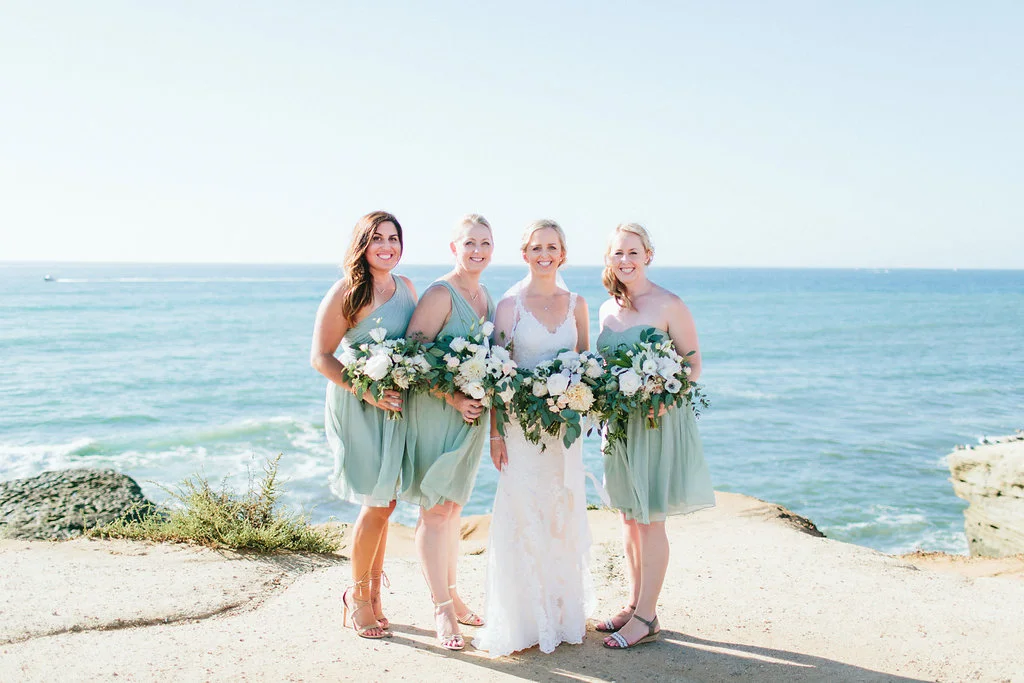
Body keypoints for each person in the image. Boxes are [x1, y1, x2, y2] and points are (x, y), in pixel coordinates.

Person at [475, 219, 594, 656]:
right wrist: (495, 434)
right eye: (536, 247)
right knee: (523, 512)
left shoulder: (578, 303)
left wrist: (579, 407)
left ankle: (561, 613)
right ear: (524, 253)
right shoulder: (509, 306)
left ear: (563, 253)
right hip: (520, 431)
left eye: (552, 247)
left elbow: (585, 367)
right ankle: (524, 619)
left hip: (564, 433)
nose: (544, 254)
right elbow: (496, 372)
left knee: (562, 510)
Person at [595, 222, 715, 650]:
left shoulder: (669, 303)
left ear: (648, 255)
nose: (625, 260)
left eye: (633, 252)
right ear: (609, 260)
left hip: (658, 423)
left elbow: (693, 364)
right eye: (617, 254)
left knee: (650, 520)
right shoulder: (608, 308)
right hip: (621, 425)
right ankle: (635, 604)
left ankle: (647, 617)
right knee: (628, 518)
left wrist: (666, 395)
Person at [310, 211, 417, 640]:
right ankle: (356, 600)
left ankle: (374, 594)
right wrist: (367, 391)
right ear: (363, 245)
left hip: (396, 405)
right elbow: (321, 356)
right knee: (375, 502)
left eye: (394, 238)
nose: (387, 246)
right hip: (361, 403)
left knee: (387, 503)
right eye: (378, 239)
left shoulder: (406, 287)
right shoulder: (347, 291)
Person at [402, 214, 496, 651]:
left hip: (470, 420)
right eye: (470, 243)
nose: (477, 250)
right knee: (435, 511)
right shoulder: (441, 294)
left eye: (485, 243)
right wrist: (454, 398)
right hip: (439, 414)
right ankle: (440, 607)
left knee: (454, 509)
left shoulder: (485, 297)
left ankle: (454, 594)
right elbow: (412, 358)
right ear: (453, 248)